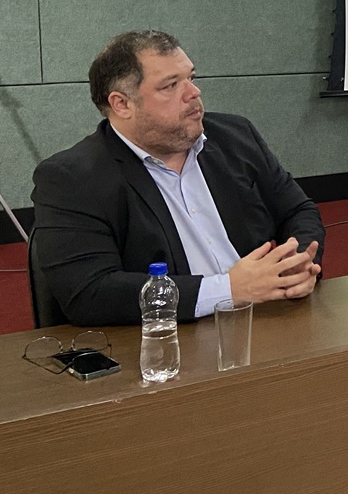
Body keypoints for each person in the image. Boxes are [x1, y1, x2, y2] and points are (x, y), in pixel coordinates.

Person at [30, 30, 323, 327]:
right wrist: (227, 290)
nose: (193, 93)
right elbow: (89, 293)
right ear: (122, 104)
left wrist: (294, 264)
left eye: (191, 78)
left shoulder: (236, 137)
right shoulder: (71, 178)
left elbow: (298, 211)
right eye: (170, 85)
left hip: (264, 318)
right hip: (167, 336)